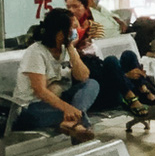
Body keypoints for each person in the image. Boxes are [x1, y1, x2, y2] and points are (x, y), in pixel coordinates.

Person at [15, 8, 97, 142]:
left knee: (92, 84)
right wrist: (66, 108)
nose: (76, 32)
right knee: (72, 113)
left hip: (58, 101)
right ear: (60, 35)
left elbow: (83, 76)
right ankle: (79, 125)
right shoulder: (36, 53)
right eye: (72, 29)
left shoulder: (65, 48)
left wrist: (71, 49)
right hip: (32, 108)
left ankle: (72, 121)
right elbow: (40, 91)